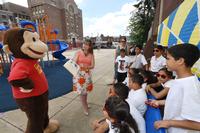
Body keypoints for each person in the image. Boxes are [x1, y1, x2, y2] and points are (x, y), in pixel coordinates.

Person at [149, 44, 200, 133]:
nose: (165, 62)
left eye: (168, 58)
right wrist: (159, 102)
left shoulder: (191, 86)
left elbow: (197, 124)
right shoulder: (179, 79)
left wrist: (169, 122)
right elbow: (179, 102)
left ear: (180, 61)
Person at [73, 39, 95, 116]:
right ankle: (85, 107)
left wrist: (86, 66)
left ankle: (85, 103)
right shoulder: (78, 52)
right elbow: (73, 63)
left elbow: (92, 65)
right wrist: (80, 66)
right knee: (82, 93)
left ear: (90, 46)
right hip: (79, 75)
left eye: (87, 44)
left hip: (87, 75)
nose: (85, 45)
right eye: (84, 44)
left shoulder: (91, 54)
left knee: (85, 92)